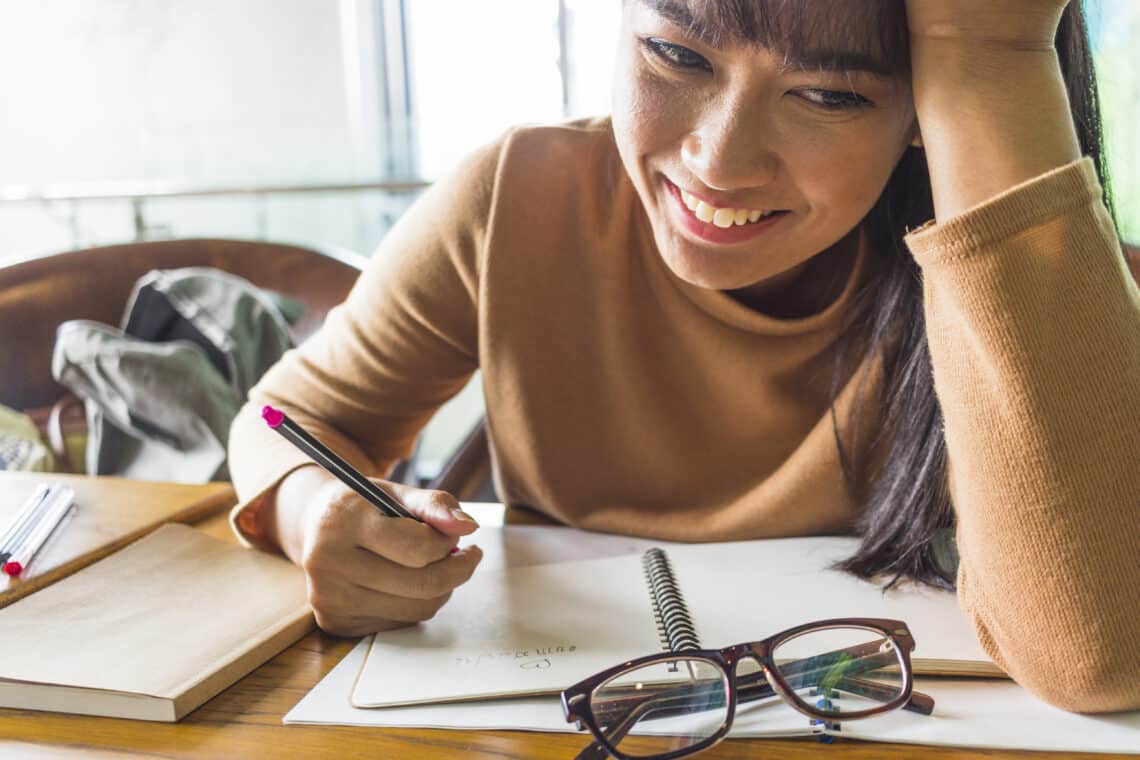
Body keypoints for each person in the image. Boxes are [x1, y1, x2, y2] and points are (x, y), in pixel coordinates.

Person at [227, 0, 1140, 713]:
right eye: (676, 53)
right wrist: (314, 513)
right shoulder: (517, 198)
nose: (719, 161)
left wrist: (994, 55)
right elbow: (288, 420)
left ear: (921, 110)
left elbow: (1098, 651)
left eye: (829, 95)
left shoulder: (1042, 284)